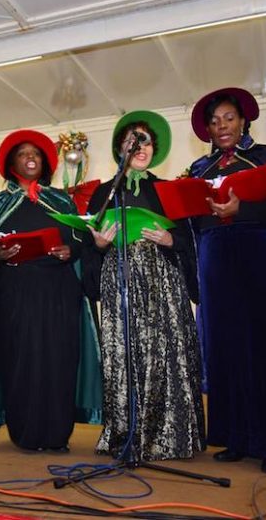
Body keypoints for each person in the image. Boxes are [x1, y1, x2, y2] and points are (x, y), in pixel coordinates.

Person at [188, 87, 266, 474]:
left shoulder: (265, 157)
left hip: (258, 263)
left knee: (263, 350)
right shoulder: (200, 169)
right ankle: (237, 439)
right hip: (216, 265)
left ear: (244, 120)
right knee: (227, 352)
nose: (221, 126)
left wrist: (243, 206)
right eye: (214, 121)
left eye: (228, 118)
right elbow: (192, 219)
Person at [84, 111, 205, 461]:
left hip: (161, 282)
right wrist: (101, 244)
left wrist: (170, 239)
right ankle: (125, 432)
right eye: (131, 141)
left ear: (155, 149)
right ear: (120, 148)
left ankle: (169, 435)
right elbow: (88, 240)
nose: (139, 147)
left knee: (165, 354)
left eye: (145, 141)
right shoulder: (104, 193)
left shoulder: (167, 190)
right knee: (124, 354)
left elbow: (187, 238)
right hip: (118, 278)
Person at [0, 129, 102, 451]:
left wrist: (69, 252)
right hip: (15, 293)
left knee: (60, 360)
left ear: (45, 162)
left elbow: (83, 240)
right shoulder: (0, 203)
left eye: (36, 153)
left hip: (59, 291)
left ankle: (58, 434)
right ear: (12, 163)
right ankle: (25, 432)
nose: (30, 157)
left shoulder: (61, 199)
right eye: (23, 153)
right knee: (21, 359)